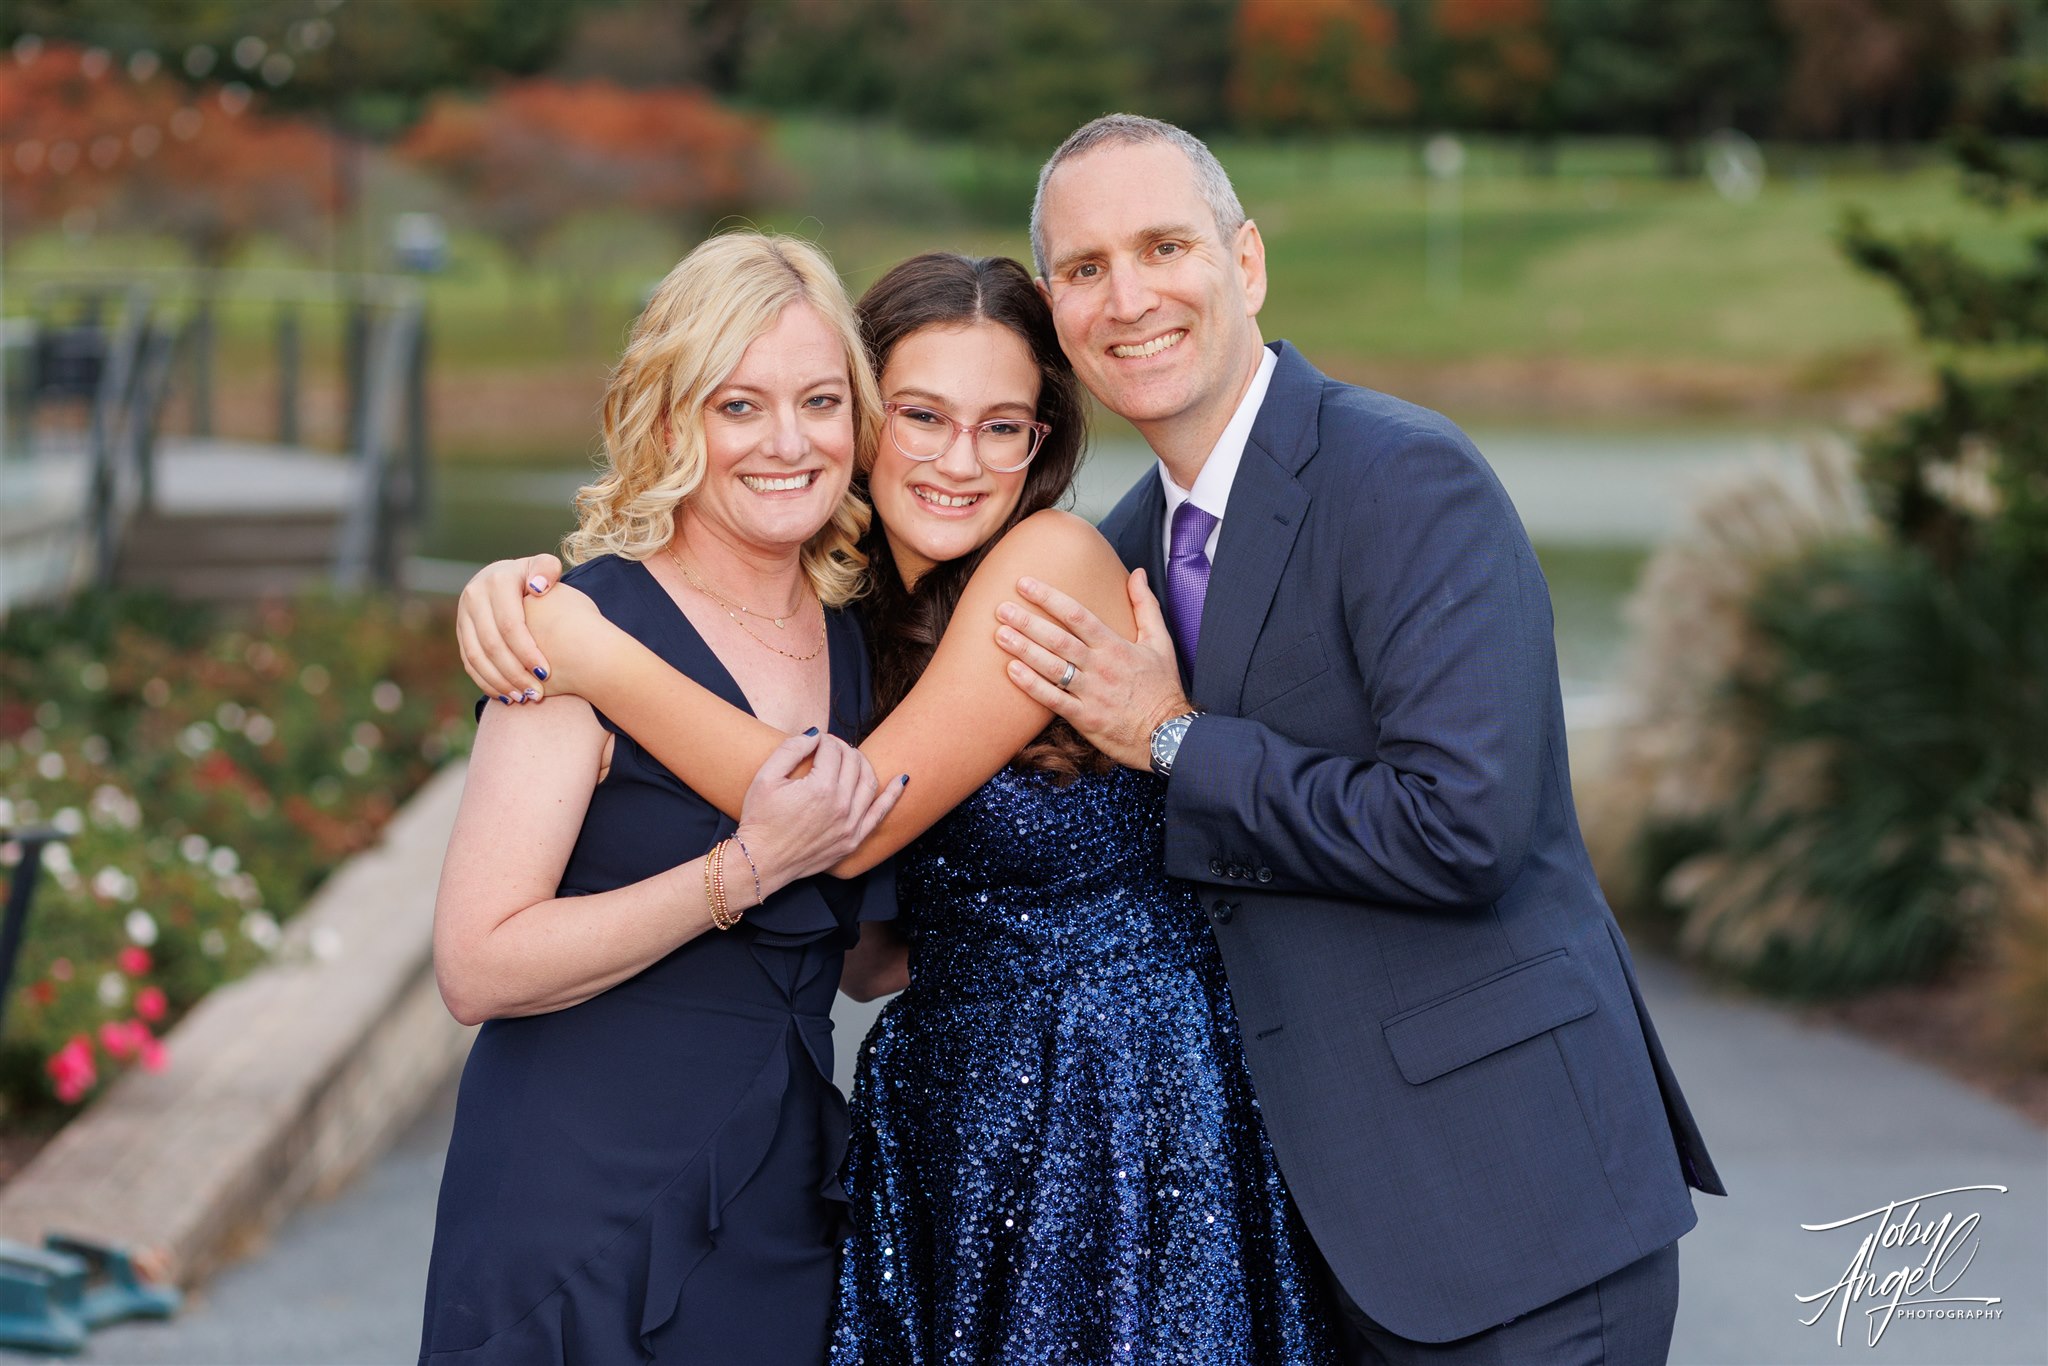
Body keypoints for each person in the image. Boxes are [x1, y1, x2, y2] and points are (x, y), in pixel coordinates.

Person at [456, 251, 1336, 1362]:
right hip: (943, 1101)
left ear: (1040, 443)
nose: (959, 462)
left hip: (1116, 1101)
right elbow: (872, 944)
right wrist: (519, 591)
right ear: (863, 416)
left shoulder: (1048, 564)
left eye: (1002, 427)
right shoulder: (846, 620)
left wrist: (596, 653)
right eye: (919, 415)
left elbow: (849, 824)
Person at [986, 115, 1726, 1364]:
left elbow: (1464, 827)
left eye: (1164, 245)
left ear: (1248, 264)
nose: (1128, 297)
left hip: (1514, 1220)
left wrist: (1169, 737)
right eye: (1084, 267)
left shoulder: (1401, 478)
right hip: (1308, 1253)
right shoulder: (1113, 551)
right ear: (1056, 310)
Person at [417, 232, 907, 1365]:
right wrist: (735, 875)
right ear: (671, 420)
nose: (788, 443)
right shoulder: (577, 635)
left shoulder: (852, 644)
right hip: (575, 1211)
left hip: (779, 1197)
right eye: (740, 405)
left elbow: (860, 953)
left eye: (820, 401)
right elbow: (475, 962)